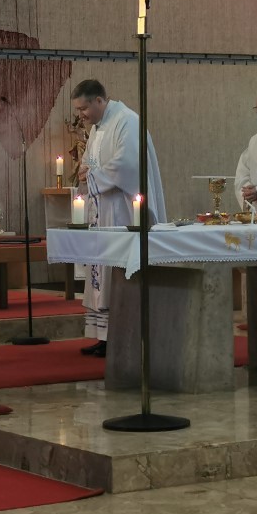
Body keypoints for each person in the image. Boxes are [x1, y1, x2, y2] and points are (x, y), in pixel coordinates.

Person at [72, 79, 166, 357]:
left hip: (122, 210)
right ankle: (104, 335)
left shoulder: (127, 121)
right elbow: (92, 161)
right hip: (102, 210)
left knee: (117, 273)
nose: (81, 115)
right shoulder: (98, 127)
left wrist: (93, 176)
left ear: (99, 100)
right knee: (102, 272)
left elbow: (127, 165)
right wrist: (84, 170)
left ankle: (121, 335)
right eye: (78, 110)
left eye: (83, 108)